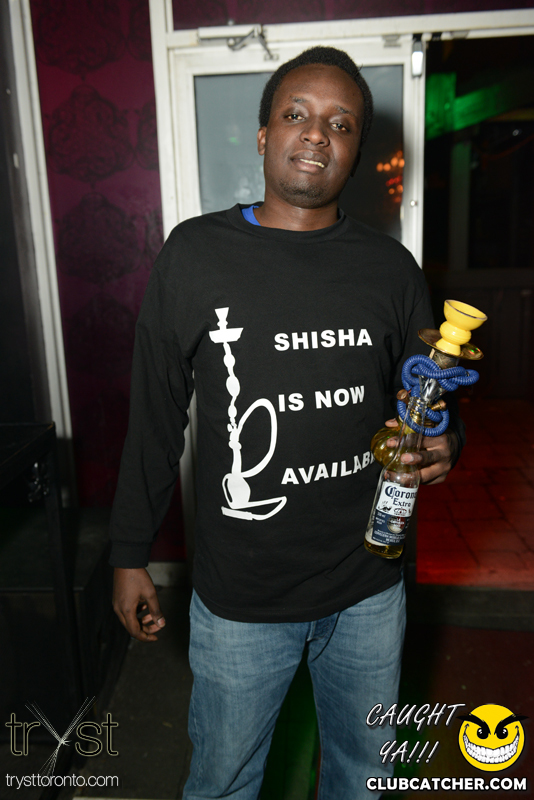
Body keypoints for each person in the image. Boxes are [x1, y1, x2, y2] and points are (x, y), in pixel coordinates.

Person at [110, 46, 464, 799]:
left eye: (341, 123)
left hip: (369, 587)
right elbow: (155, 417)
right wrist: (128, 551)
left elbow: (426, 399)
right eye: (297, 114)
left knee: (365, 777)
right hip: (244, 596)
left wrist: (445, 442)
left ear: (357, 151)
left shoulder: (392, 269)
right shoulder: (195, 254)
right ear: (264, 133)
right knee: (224, 783)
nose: (316, 134)